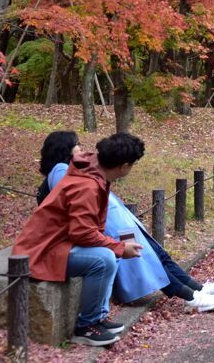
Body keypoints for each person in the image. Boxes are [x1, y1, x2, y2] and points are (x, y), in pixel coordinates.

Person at [37, 131, 214, 315]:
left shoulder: (78, 170)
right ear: (64, 148)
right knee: (148, 260)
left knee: (157, 254)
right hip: (110, 231)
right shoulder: (62, 171)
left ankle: (199, 289)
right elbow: (80, 210)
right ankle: (192, 297)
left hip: (117, 226)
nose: (80, 148)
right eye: (76, 144)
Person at [13, 133, 145, 346]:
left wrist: (116, 246)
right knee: (103, 258)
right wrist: (120, 247)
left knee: (109, 251)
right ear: (124, 166)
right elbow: (82, 233)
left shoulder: (93, 170)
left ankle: (99, 317)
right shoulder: (87, 185)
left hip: (60, 242)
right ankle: (86, 327)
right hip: (43, 249)